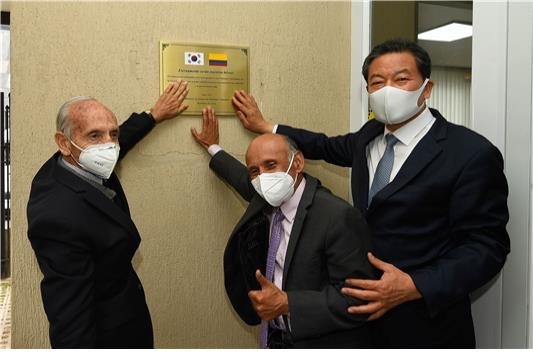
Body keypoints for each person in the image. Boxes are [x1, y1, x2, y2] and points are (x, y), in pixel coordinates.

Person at [230, 38, 510, 348]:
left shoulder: (470, 153)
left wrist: (414, 285)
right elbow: (323, 145)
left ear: (426, 89)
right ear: (368, 93)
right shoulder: (369, 137)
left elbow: (486, 248)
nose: (388, 89)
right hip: (359, 325)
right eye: (377, 82)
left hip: (425, 326)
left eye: (401, 79)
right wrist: (268, 126)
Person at [191, 106, 376, 348]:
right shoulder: (264, 197)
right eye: (255, 171)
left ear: (297, 163)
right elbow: (240, 178)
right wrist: (213, 148)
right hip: (274, 337)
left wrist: (289, 303)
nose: (263, 177)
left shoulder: (337, 216)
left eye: (271, 165)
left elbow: (358, 299)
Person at [26, 80, 189, 348]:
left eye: (112, 134)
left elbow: (114, 140)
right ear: (62, 143)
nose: (109, 146)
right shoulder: (56, 217)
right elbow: (70, 320)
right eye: (95, 136)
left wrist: (153, 115)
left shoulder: (75, 162)